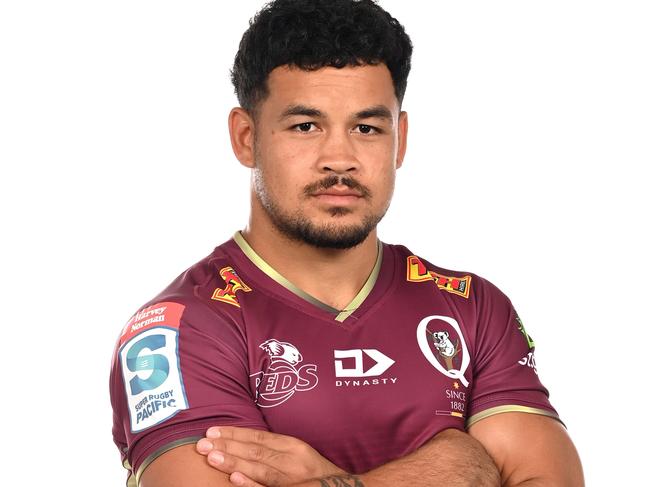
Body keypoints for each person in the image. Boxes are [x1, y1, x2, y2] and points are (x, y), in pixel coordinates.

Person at [109, 0, 584, 485]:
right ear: (246, 137)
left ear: (399, 140)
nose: (340, 159)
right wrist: (462, 466)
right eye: (305, 126)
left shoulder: (473, 308)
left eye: (366, 128)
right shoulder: (183, 329)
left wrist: (332, 481)